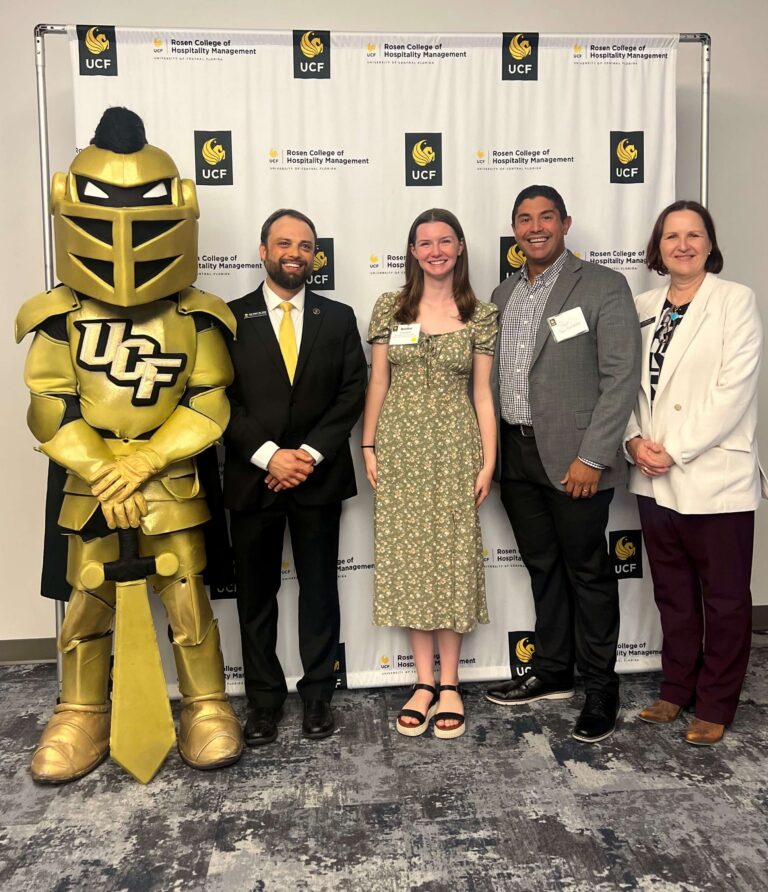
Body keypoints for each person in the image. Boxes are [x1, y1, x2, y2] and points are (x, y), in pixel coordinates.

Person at [16, 107, 243, 783]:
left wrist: (145, 460)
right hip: (92, 482)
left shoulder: (194, 314)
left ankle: (205, 704)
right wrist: (106, 467)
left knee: (184, 591)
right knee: (88, 593)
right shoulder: (58, 315)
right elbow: (50, 406)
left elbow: (209, 399)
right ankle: (81, 710)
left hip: (169, 479)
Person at [485, 185, 641, 743]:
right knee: (543, 568)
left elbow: (621, 376)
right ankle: (553, 671)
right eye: (524, 218)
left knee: (588, 573)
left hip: (576, 459)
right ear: (515, 228)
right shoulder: (503, 295)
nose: (535, 227)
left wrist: (593, 456)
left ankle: (601, 687)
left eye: (545, 217)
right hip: (515, 455)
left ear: (565, 223)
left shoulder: (602, 286)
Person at [224, 209, 367, 745]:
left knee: (319, 591)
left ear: (315, 256)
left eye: (306, 246)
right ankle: (262, 703)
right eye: (284, 243)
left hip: (316, 478)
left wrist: (304, 454)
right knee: (255, 597)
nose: (295, 253)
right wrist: (268, 456)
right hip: (252, 478)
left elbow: (352, 390)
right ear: (263, 250)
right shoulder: (228, 318)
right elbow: (219, 397)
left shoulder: (338, 316)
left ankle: (316, 698)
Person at [624, 200, 764, 745]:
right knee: (673, 592)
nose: (682, 244)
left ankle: (716, 702)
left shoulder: (734, 301)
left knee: (725, 598)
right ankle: (676, 688)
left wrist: (673, 449)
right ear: (658, 247)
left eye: (694, 235)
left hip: (712, 474)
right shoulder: (641, 304)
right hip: (652, 474)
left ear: (710, 243)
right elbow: (623, 382)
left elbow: (733, 390)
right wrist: (633, 439)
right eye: (671, 236)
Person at [363, 208, 498, 740]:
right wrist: (369, 444)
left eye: (446, 241)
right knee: (411, 563)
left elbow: (483, 394)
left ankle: (451, 685)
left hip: (455, 449)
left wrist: (490, 459)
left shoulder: (480, 313)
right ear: (413, 251)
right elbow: (377, 383)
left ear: (460, 248)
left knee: (452, 562)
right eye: (425, 242)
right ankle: (423, 683)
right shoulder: (389, 308)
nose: (436, 249)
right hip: (399, 449)